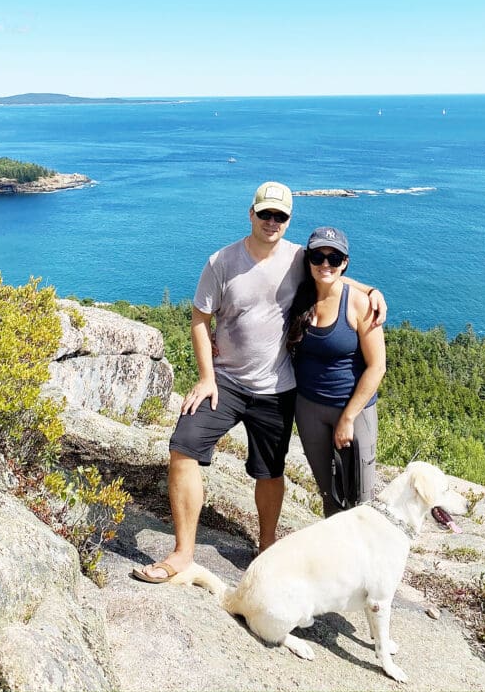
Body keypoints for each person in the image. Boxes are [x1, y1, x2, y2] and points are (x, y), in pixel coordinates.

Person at [133, 181, 386, 583]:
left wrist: (372, 290)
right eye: (265, 214)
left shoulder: (297, 259)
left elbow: (331, 274)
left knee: (269, 472)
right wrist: (206, 377)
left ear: (288, 221)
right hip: (227, 383)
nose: (272, 221)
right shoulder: (221, 262)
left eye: (280, 216)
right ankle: (183, 553)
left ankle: (266, 546)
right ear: (250, 214)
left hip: (278, 388)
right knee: (183, 446)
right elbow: (200, 320)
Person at [288, 226, 387, 518]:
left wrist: (347, 418)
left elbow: (377, 366)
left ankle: (365, 561)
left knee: (360, 497)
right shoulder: (298, 295)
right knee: (329, 493)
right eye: (318, 256)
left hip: (353, 410)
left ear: (345, 262)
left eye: (335, 258)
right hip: (308, 408)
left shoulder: (359, 303)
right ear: (308, 259)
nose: (325, 264)